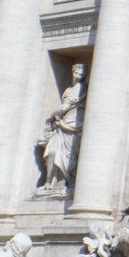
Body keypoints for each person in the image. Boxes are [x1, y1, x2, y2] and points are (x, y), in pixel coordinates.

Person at [37, 63, 86, 195]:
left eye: (81, 74)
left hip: (72, 123)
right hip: (62, 124)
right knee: (51, 151)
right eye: (76, 73)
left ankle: (65, 181)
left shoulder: (80, 88)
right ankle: (50, 181)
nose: (78, 76)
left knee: (68, 156)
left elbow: (65, 107)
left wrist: (52, 115)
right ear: (72, 72)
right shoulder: (69, 89)